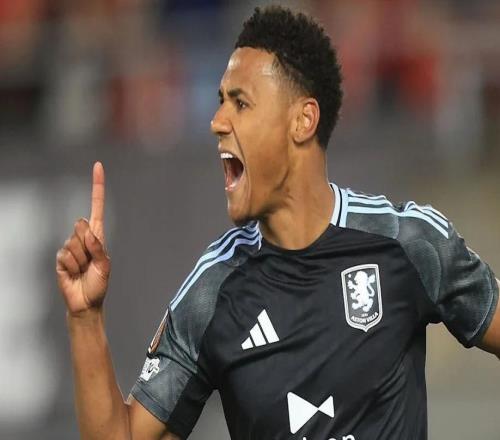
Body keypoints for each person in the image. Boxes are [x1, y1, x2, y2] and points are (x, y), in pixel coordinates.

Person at [55, 6, 500, 440]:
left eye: (240, 103)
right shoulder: (213, 293)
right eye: (221, 102)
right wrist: (84, 317)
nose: (216, 122)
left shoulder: (408, 243)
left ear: (303, 121)